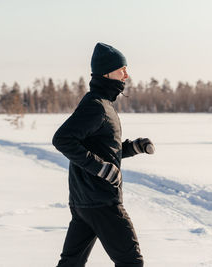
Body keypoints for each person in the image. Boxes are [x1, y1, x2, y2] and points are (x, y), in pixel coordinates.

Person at [52, 42, 155, 267]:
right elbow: (62, 139)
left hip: (85, 202)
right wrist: (101, 169)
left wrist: (134, 147)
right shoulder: (96, 106)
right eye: (122, 69)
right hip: (102, 201)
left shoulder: (103, 104)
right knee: (131, 262)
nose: (127, 75)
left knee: (71, 263)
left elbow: (101, 147)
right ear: (106, 73)